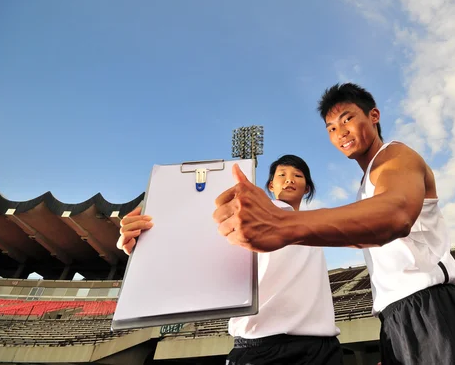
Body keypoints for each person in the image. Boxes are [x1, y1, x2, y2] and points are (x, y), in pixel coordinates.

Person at [213, 84, 455, 365]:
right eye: (331, 128)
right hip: (395, 318)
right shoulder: (367, 183)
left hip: (432, 308)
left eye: (347, 119)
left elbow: (395, 215)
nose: (340, 132)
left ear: (374, 116)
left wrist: (284, 224)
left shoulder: (395, 156)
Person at [117, 154, 343, 365]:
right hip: (262, 345)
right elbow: (201, 240)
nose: (289, 180)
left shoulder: (317, 222)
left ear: (308, 188)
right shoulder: (251, 214)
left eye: (298, 175)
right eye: (281, 175)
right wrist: (149, 245)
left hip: (322, 345)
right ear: (270, 186)